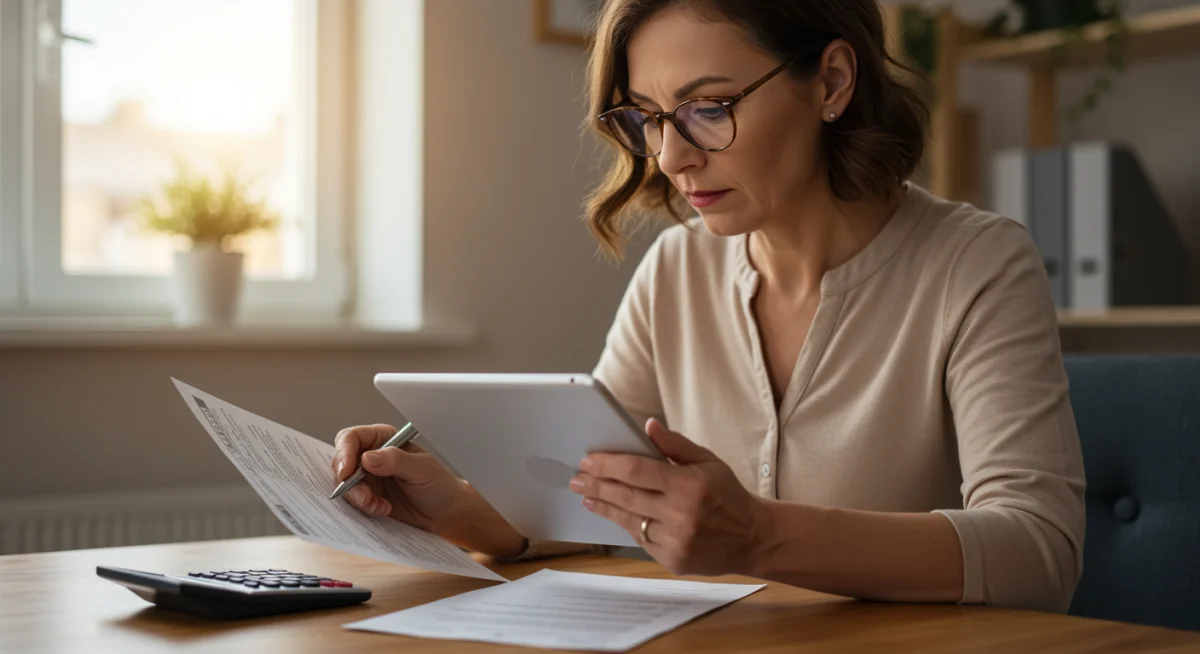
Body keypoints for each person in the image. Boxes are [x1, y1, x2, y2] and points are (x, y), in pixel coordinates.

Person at [330, 0, 1086, 613]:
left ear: (830, 82)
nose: (671, 156)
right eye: (651, 117)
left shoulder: (978, 264)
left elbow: (1038, 551)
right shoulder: (678, 269)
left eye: (709, 106)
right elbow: (591, 496)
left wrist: (758, 535)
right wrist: (450, 505)